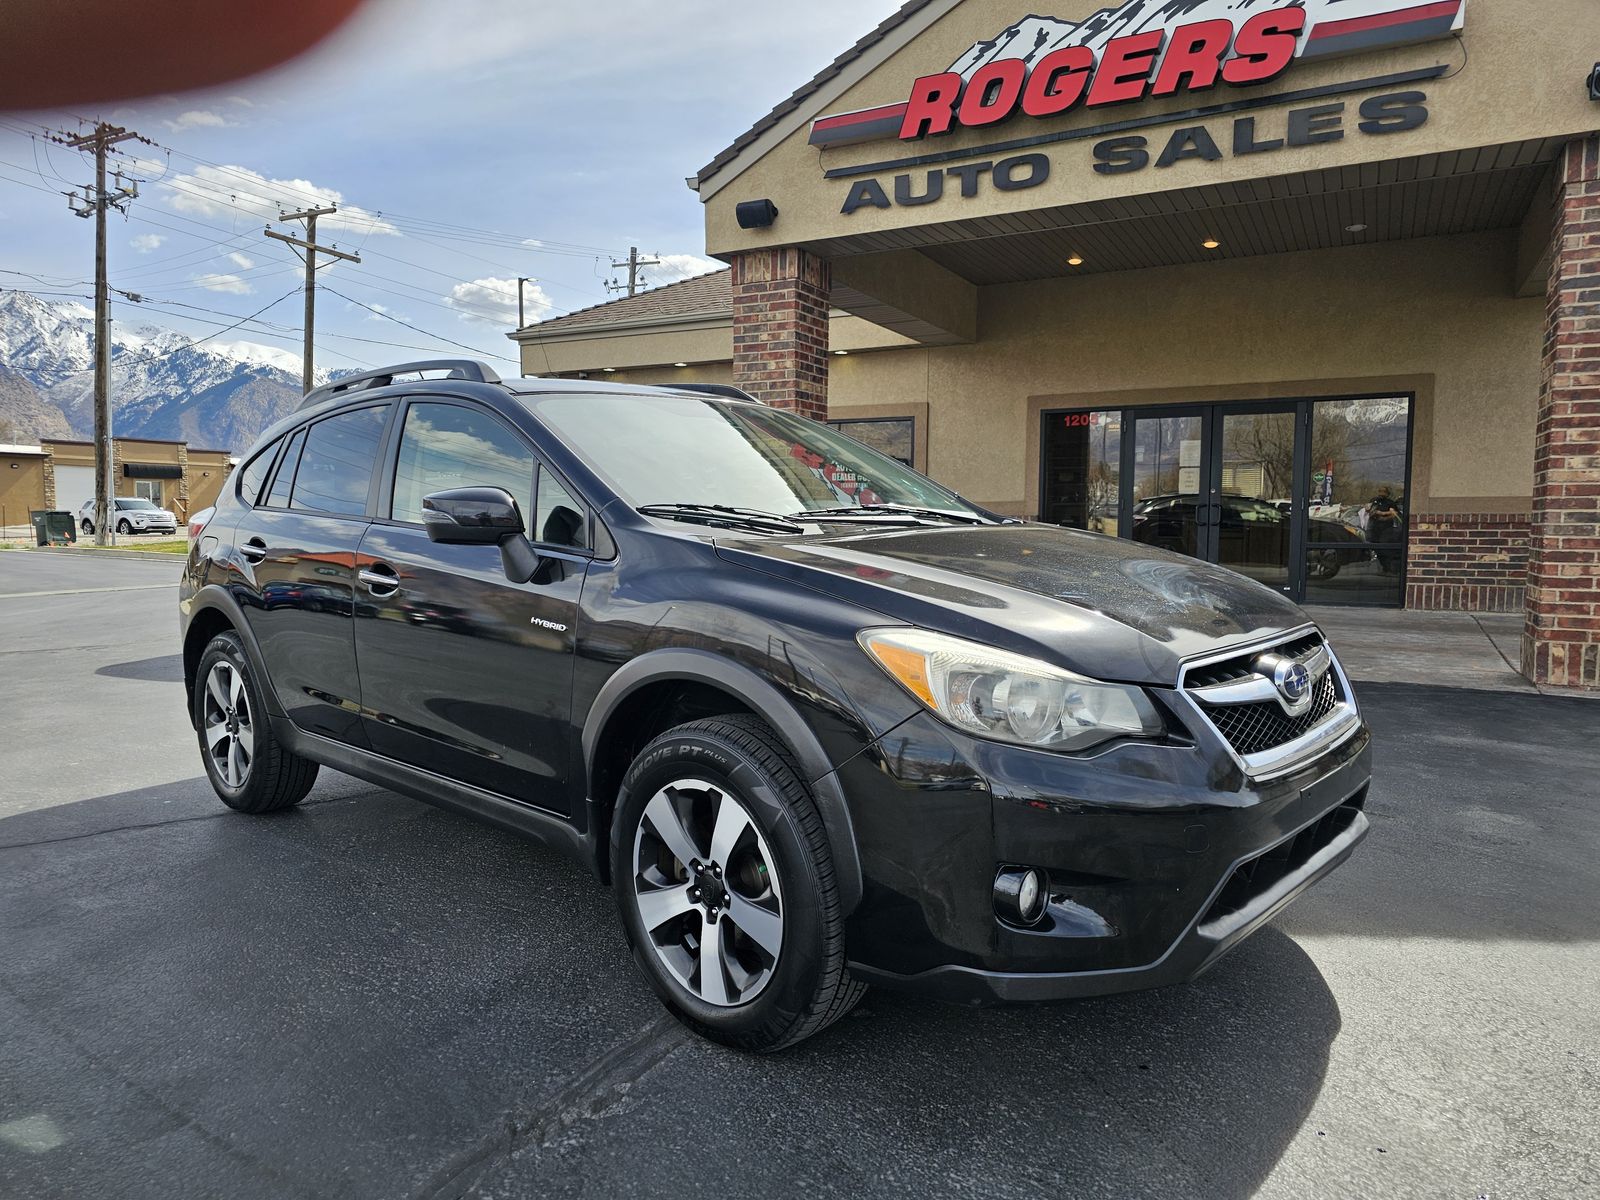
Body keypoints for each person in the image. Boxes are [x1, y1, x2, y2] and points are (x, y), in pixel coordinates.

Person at [1367, 487, 1404, 575]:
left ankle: (1390, 569)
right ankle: (1385, 568)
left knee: (1385, 549)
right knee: (1377, 548)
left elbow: (1394, 514)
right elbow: (1370, 511)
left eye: (1383, 492)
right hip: (1375, 528)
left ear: (1387, 493)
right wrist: (1376, 513)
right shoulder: (1374, 501)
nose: (1381, 493)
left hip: (1386, 529)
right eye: (1380, 491)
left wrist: (1383, 515)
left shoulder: (1390, 503)